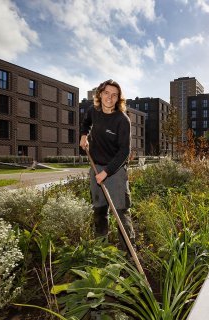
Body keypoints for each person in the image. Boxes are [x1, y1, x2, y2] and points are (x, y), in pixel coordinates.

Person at [79, 79, 135, 250]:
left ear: (118, 98)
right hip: (96, 167)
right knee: (99, 211)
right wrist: (84, 135)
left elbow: (124, 152)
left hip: (115, 170)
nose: (110, 97)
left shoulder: (122, 120)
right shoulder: (93, 111)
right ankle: (101, 249)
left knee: (120, 212)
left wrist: (107, 172)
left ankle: (127, 253)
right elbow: (86, 122)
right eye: (106, 93)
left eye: (114, 95)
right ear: (100, 94)